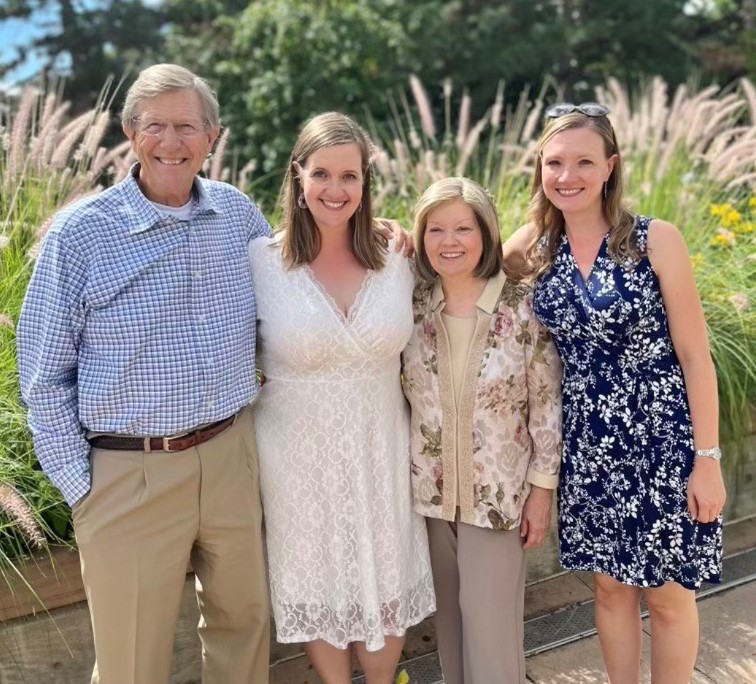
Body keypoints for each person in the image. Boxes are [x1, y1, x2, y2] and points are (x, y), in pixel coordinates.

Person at [16, 63, 273, 684]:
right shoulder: (80, 236)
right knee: (133, 663)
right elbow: (42, 376)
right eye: (155, 125)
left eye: (187, 126)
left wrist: (381, 237)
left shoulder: (239, 216)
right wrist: (87, 488)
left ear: (213, 136)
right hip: (129, 475)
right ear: (131, 133)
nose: (172, 142)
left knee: (247, 629)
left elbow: (293, 298)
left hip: (230, 455)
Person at [502, 103, 726, 684]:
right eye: (554, 163)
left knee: (669, 592)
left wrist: (708, 461)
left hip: (660, 440)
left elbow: (696, 358)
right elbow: (460, 258)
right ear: (540, 169)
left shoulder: (656, 240)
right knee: (608, 587)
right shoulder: (534, 247)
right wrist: (395, 238)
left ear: (610, 167)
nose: (567, 176)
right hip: (587, 443)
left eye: (582, 161)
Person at [248, 112, 435, 684]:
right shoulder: (261, 263)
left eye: (349, 176)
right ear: (298, 176)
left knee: (387, 577)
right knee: (316, 581)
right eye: (322, 174)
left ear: (365, 182)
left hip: (382, 446)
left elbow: (475, 271)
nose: (336, 189)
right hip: (296, 459)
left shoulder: (399, 256)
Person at [401, 177, 563, 684]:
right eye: (436, 230)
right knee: (450, 627)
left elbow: (547, 405)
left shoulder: (522, 307)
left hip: (499, 498)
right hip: (431, 495)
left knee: (491, 635)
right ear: (421, 237)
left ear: (487, 234)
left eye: (463, 229)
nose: (449, 241)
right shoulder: (412, 304)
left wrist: (542, 493)